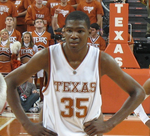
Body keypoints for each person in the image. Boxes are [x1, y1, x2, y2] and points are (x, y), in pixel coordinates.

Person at [5, 11, 145, 136]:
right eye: (70, 31)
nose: (74, 35)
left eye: (80, 31)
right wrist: (27, 125)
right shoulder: (48, 56)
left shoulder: (101, 60)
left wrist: (110, 124)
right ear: (63, 32)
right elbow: (9, 81)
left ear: (89, 32)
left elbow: (138, 92)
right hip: (53, 132)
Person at [31, 18, 54, 101]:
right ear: (34, 25)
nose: (39, 23)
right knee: (34, 78)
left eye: (41, 21)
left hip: (45, 59)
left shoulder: (48, 34)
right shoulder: (31, 34)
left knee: (43, 79)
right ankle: (34, 97)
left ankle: (42, 97)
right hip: (34, 59)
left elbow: (51, 47)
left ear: (44, 24)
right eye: (37, 22)